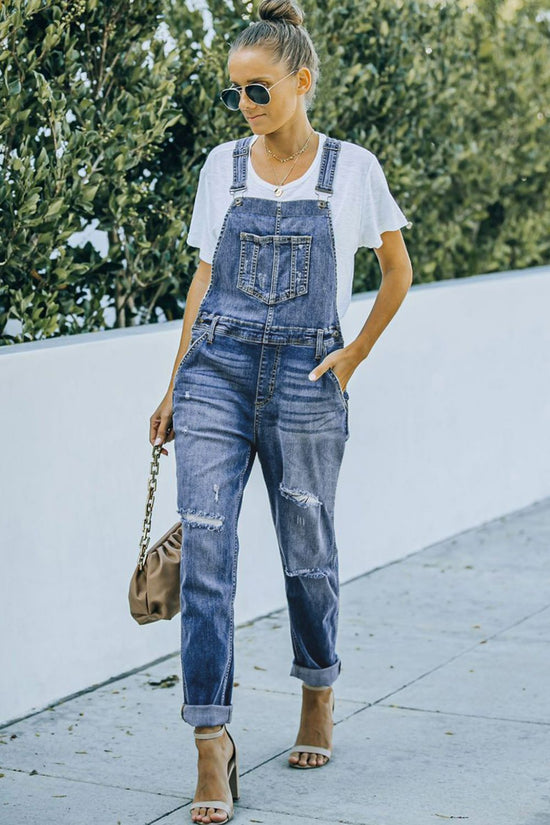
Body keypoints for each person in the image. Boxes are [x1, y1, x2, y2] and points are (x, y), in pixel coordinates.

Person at [149, 1, 413, 821]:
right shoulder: (221, 168)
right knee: (207, 555)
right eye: (236, 93)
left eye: (258, 92)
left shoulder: (352, 170)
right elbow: (201, 280)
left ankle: (318, 690)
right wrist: (171, 384)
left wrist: (355, 354)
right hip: (215, 374)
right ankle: (210, 741)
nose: (245, 108)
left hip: (307, 379)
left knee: (308, 549)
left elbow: (398, 269)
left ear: (302, 83)